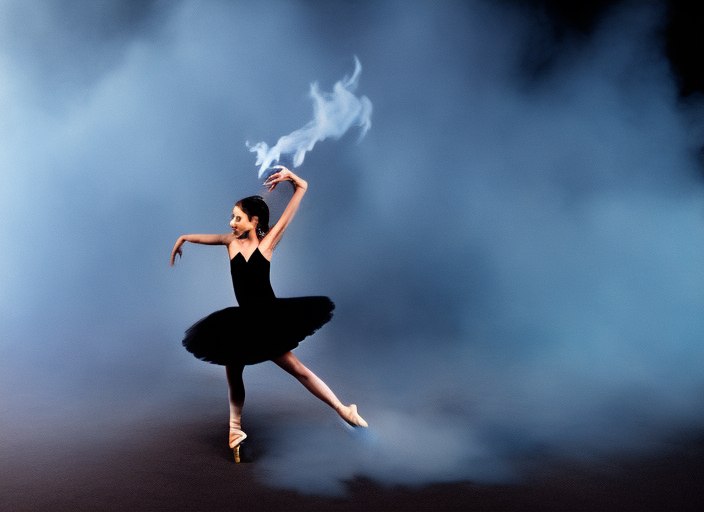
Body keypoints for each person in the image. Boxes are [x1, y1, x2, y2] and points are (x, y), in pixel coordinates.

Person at [170, 166, 367, 462]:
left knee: (298, 370)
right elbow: (206, 238)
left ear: (254, 221)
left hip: (267, 321)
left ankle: (343, 410)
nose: (232, 223)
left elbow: (298, 197)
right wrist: (183, 238)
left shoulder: (267, 245)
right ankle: (235, 431)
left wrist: (293, 178)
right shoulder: (230, 242)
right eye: (232, 217)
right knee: (233, 374)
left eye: (237, 218)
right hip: (241, 322)